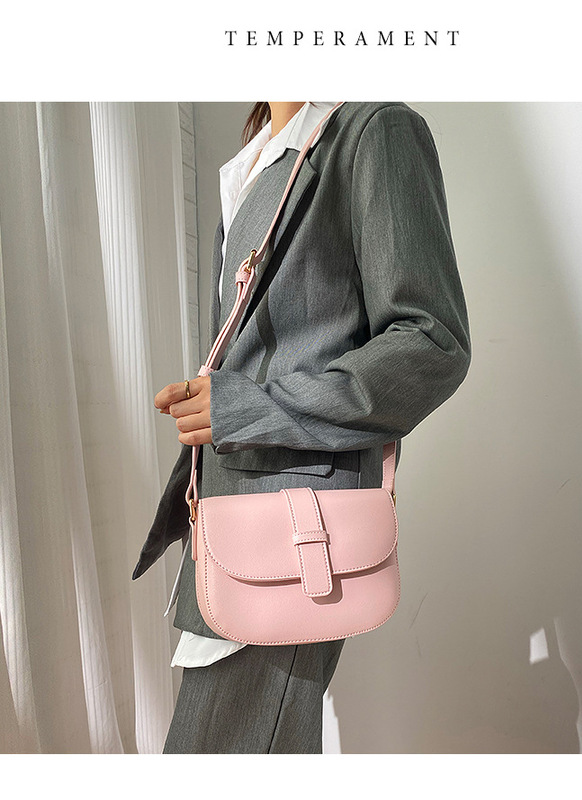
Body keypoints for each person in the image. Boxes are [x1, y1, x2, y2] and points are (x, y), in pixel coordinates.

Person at [132, 101, 472, 754]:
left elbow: (430, 342)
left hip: (291, 526)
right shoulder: (256, 161)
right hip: (232, 510)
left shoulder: (371, 131)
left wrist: (250, 408)